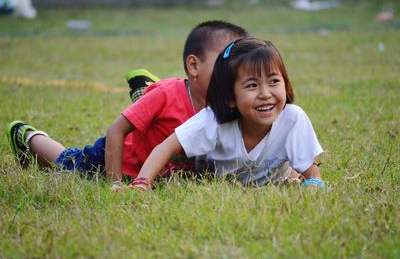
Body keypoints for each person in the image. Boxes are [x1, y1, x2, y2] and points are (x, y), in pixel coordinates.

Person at [6, 20, 249, 191]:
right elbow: (116, 131)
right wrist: (115, 182)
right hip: (114, 161)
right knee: (67, 162)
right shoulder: (169, 96)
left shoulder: (229, 104)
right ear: (194, 66)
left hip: (163, 168)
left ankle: (145, 94)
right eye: (224, 65)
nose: (233, 74)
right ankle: (27, 136)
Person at [129, 37, 325, 191]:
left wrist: (312, 187)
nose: (266, 94)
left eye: (274, 81)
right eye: (252, 85)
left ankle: (291, 172)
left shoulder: (293, 118)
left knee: (293, 169)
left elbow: (313, 175)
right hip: (204, 170)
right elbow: (167, 146)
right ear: (230, 97)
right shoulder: (213, 119)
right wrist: (141, 184)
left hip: (278, 177)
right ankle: (148, 89)